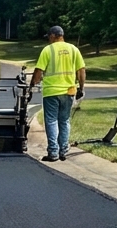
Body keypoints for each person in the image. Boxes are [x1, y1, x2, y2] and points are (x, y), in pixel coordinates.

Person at [29, 25, 86, 162]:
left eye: (49, 36)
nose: (49, 39)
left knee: (51, 121)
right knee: (64, 120)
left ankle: (53, 152)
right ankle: (63, 150)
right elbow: (81, 70)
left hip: (51, 92)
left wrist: (32, 84)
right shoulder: (74, 49)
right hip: (69, 91)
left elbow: (39, 71)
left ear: (53, 36)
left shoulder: (48, 50)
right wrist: (81, 88)